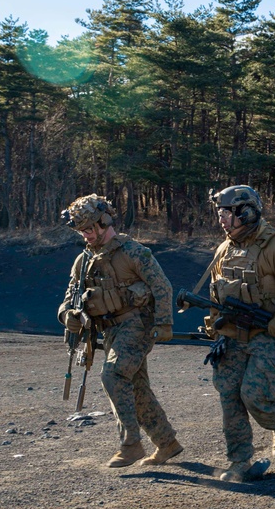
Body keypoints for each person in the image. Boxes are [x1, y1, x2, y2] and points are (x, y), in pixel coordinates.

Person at [57, 194, 182, 468]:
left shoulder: (133, 252)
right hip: (109, 332)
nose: (86, 235)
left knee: (113, 375)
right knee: (136, 387)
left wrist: (164, 324)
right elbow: (69, 297)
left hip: (136, 325)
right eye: (81, 231)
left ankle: (130, 445)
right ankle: (166, 443)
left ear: (105, 222)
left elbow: (162, 287)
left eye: (90, 229)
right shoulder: (83, 261)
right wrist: (68, 316)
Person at [204, 185, 275, 482]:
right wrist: (213, 324)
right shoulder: (225, 249)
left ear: (246, 212)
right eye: (219, 213)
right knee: (230, 397)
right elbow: (217, 292)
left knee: (255, 396)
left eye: (227, 213)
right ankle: (239, 461)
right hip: (231, 335)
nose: (222, 220)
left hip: (268, 333)